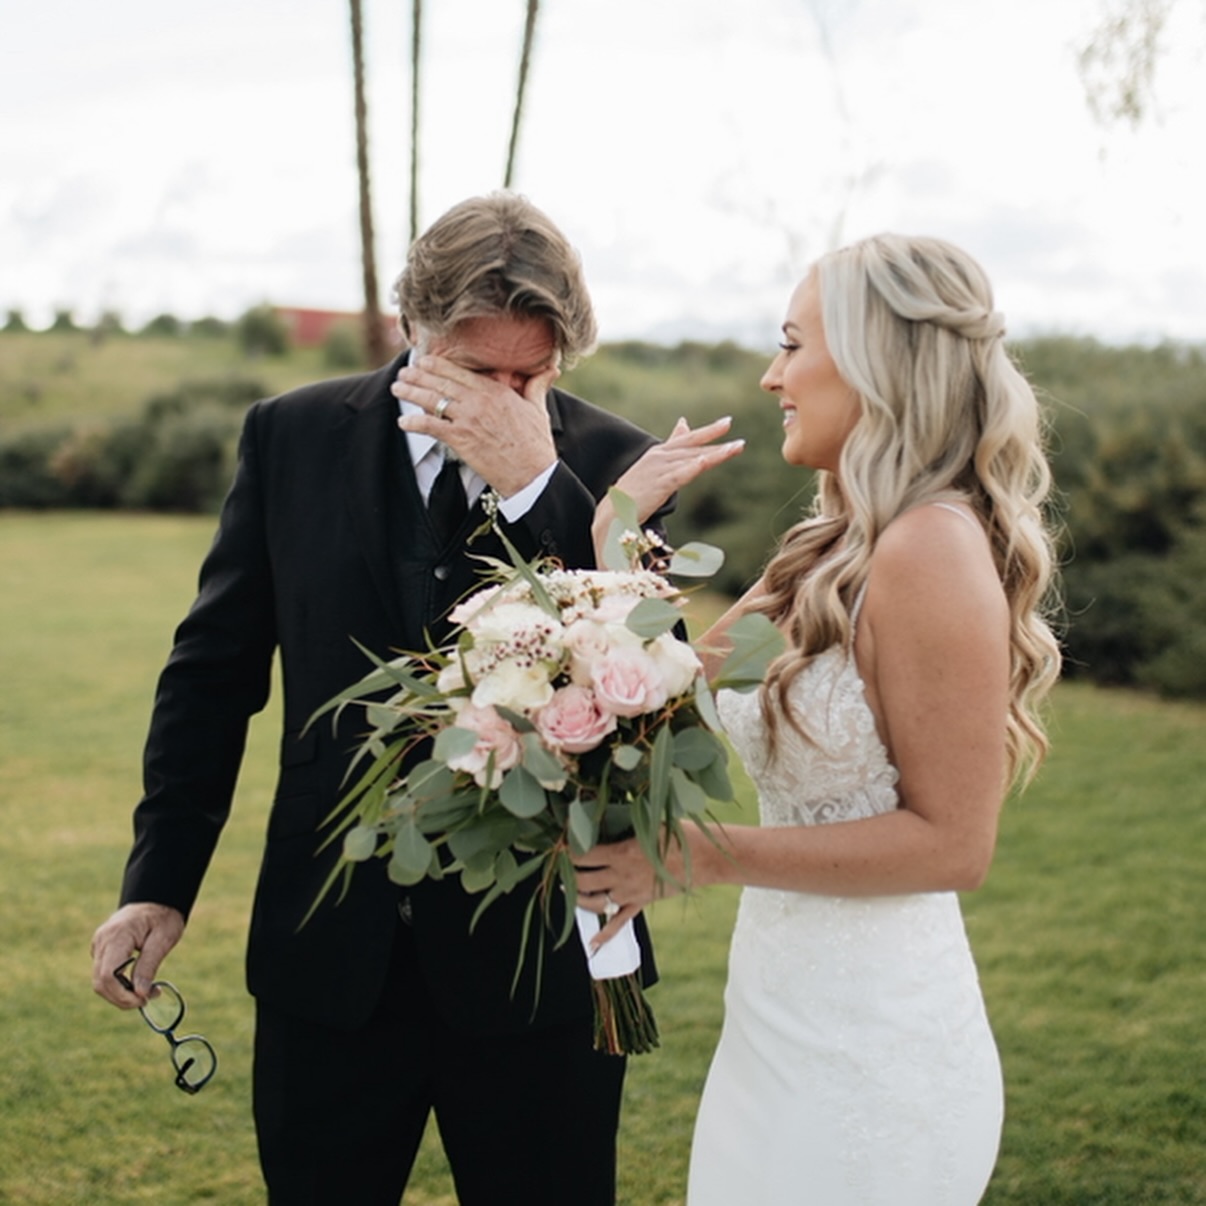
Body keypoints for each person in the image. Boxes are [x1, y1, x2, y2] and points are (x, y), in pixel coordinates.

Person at [90, 191, 742, 1206]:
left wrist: (539, 487)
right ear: (415, 332)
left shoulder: (616, 464)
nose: (509, 399)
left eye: (534, 376)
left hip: (539, 970)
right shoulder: (291, 436)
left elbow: (657, 699)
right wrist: (158, 880)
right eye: (482, 373)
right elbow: (212, 670)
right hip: (328, 958)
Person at [576, 233, 1062, 1204]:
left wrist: (695, 856)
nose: (771, 375)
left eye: (792, 344)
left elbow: (952, 846)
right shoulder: (829, 543)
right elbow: (665, 699)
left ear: (876, 356)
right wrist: (617, 529)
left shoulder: (931, 548)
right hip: (777, 1017)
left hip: (875, 1050)